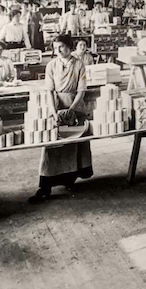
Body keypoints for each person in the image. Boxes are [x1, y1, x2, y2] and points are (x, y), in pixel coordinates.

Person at [29, 34, 93, 204]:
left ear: (70, 47)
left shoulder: (79, 64)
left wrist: (72, 109)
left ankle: (69, 179)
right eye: (55, 48)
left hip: (75, 105)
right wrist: (53, 111)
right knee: (53, 145)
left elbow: (81, 90)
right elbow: (49, 91)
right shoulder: (51, 65)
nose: (57, 51)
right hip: (56, 106)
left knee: (74, 143)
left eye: (61, 47)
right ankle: (45, 187)